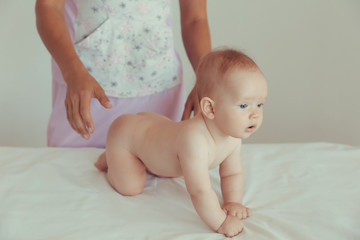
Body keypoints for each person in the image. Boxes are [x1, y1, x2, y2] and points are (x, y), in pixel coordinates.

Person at [95, 49, 268, 237]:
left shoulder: (233, 136)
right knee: (131, 187)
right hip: (127, 135)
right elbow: (200, 191)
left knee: (157, 150)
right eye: (244, 105)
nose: (255, 114)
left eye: (259, 104)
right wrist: (221, 221)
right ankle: (112, 159)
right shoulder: (194, 140)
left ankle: (126, 158)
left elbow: (232, 173)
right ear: (210, 108)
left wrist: (232, 202)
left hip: (153, 128)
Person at [35, 0, 210, 147]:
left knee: (158, 179)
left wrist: (206, 79)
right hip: (84, 91)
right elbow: (49, 6)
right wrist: (72, 72)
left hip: (159, 92)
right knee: (70, 176)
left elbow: (195, 18)